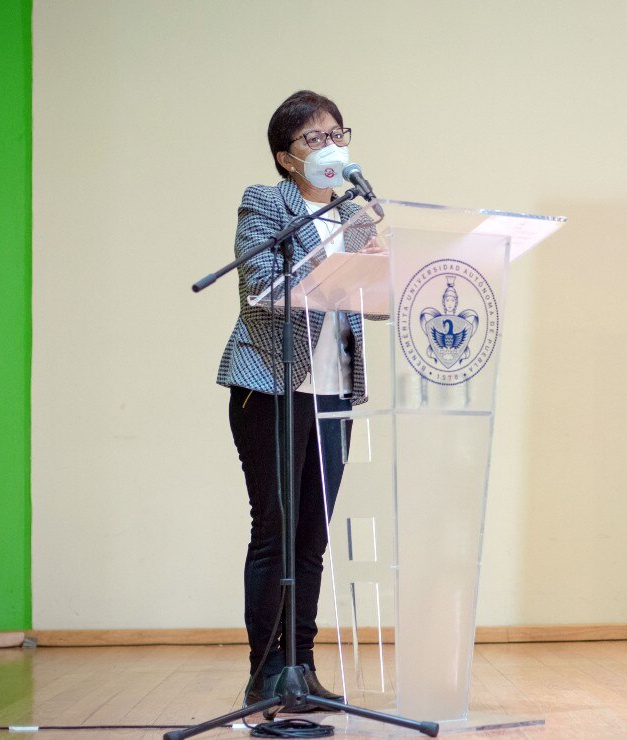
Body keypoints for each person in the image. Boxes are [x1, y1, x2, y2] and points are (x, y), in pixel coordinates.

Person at [216, 90, 381, 716]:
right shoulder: (266, 204)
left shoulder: (355, 212)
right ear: (287, 159)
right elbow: (263, 288)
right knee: (276, 530)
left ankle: (302, 670)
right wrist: (335, 243)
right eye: (315, 139)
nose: (332, 145)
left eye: (338, 133)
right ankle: (266, 675)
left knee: (311, 537)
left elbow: (368, 292)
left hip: (333, 387)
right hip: (269, 386)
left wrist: (381, 262)